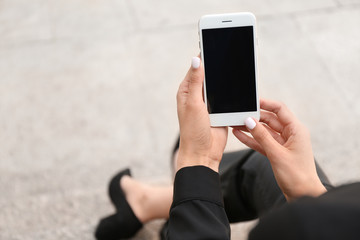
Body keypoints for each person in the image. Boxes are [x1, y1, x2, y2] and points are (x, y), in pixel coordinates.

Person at [95, 57, 360, 240]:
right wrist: (306, 189)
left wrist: (198, 159)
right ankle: (150, 202)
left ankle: (178, 211)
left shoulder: (292, 229)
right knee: (267, 163)